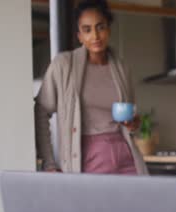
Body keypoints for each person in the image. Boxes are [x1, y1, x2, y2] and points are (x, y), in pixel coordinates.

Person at [35, 0, 148, 175]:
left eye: (100, 27)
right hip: (87, 159)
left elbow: (131, 120)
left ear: (109, 29)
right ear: (79, 35)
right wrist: (48, 163)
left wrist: (133, 123)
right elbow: (41, 110)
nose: (95, 35)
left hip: (126, 157)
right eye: (87, 30)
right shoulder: (63, 65)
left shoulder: (122, 68)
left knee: (139, 202)